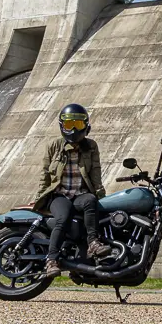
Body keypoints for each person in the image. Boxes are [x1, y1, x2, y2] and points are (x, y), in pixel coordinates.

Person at [34, 103, 112, 278]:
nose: (74, 129)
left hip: (80, 194)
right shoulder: (54, 146)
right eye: (70, 124)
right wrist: (40, 197)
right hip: (59, 195)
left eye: (78, 124)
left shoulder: (91, 146)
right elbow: (45, 174)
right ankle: (51, 260)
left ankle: (93, 243)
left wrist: (100, 194)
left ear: (86, 125)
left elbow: (95, 172)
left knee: (90, 201)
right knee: (63, 217)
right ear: (62, 126)